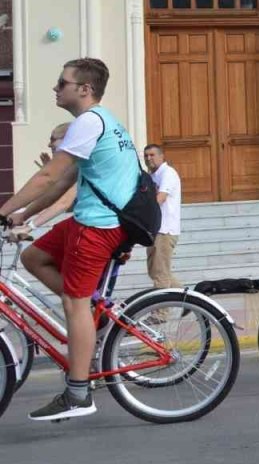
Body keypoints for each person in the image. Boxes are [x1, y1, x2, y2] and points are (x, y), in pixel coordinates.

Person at [0, 58, 140, 420]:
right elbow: (63, 183)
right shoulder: (102, 120)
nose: (55, 88)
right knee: (34, 257)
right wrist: (22, 215)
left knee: (74, 304)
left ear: (84, 89)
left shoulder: (88, 122)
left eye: (62, 83)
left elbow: (48, 176)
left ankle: (78, 393)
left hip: (97, 226)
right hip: (92, 220)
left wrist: (3, 209)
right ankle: (91, 316)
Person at [4, 123, 76, 243]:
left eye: (53, 139)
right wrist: (23, 215)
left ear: (68, 139)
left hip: (101, 226)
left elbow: (64, 202)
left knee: (35, 256)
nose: (49, 144)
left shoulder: (83, 164)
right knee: (31, 257)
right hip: (83, 221)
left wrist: (29, 227)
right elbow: (54, 193)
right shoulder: (71, 167)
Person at [143, 145, 183, 290]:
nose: (149, 158)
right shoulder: (152, 176)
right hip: (154, 230)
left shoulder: (168, 173)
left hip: (164, 230)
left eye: (152, 155)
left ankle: (160, 313)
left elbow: (160, 198)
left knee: (160, 275)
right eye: (146, 155)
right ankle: (186, 298)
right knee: (155, 272)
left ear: (161, 156)